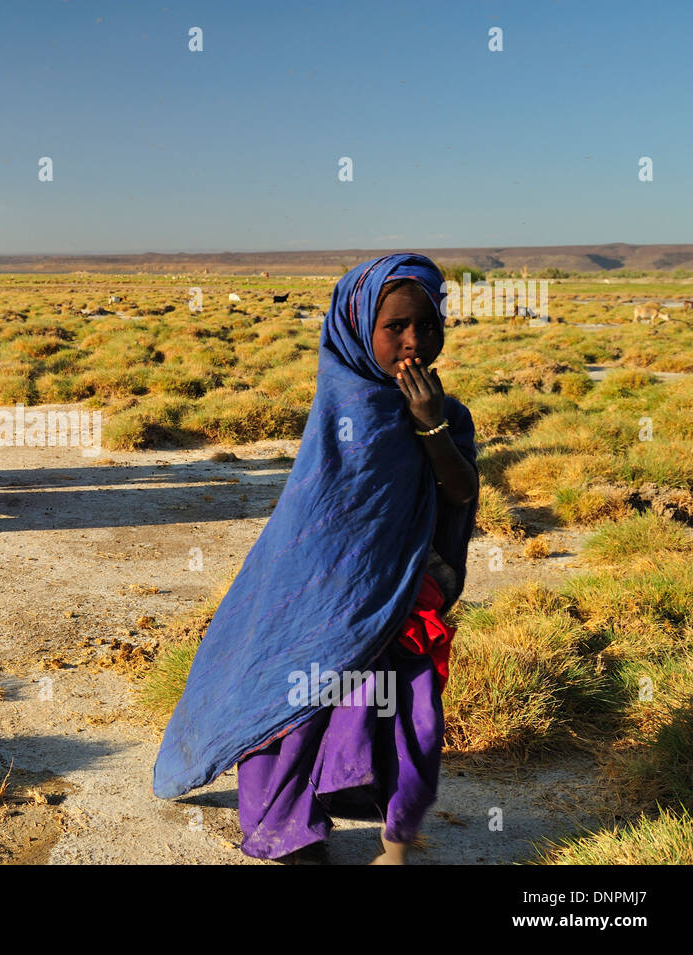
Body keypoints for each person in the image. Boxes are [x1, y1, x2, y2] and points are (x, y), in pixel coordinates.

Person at [152, 253, 479, 865]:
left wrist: (430, 427)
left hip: (404, 592)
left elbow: (459, 492)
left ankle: (394, 839)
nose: (414, 343)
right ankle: (288, 830)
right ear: (358, 327)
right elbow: (323, 514)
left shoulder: (445, 411)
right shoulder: (344, 411)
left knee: (409, 714)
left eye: (427, 327)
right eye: (396, 328)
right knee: (292, 709)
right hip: (317, 594)